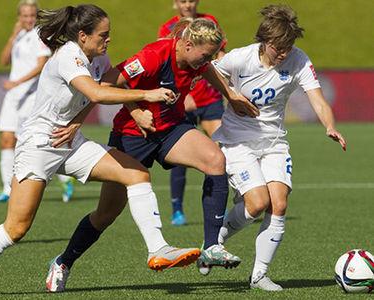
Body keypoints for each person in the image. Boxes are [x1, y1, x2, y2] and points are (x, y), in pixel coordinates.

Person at [0, 5, 201, 297]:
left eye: (109, 34)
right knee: (16, 229)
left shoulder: (98, 56)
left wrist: (76, 123)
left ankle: (158, 249)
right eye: (103, 35)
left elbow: (99, 88)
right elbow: (96, 92)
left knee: (137, 173)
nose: (108, 40)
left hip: (69, 141)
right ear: (82, 35)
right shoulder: (68, 56)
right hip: (39, 144)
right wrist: (145, 95)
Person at [46, 17, 261, 293]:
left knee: (215, 159)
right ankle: (64, 262)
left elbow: (208, 70)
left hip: (172, 130)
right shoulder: (153, 55)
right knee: (105, 215)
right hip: (133, 135)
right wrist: (136, 111)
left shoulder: (198, 58)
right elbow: (108, 82)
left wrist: (229, 94)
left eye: (209, 56)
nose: (205, 61)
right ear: (186, 43)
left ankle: (212, 246)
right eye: (204, 55)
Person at [208, 4, 347, 291]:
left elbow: (317, 99)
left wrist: (330, 126)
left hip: (274, 142)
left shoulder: (298, 60)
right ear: (265, 41)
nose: (284, 53)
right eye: (278, 48)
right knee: (257, 204)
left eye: (288, 47)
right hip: (237, 141)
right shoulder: (241, 58)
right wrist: (231, 95)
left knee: (279, 204)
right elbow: (210, 71)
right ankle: (216, 239)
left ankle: (259, 276)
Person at [158, 0, 228, 226]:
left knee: (220, 149)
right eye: (183, 0)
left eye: (191, 0)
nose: (187, 4)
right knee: (180, 155)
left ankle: (218, 204)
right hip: (183, 101)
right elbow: (167, 61)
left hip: (209, 98)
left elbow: (220, 54)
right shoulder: (167, 28)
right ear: (175, 3)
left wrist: (225, 83)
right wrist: (182, 92)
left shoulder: (210, 22)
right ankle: (177, 209)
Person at [0, 0, 52, 203]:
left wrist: (17, 82)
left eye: (32, 15)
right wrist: (13, 35)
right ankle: (7, 189)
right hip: (13, 97)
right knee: (6, 139)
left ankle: (63, 176)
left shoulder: (39, 35)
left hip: (31, 96)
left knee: (30, 142)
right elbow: (4, 60)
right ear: (19, 17)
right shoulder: (20, 35)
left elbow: (41, 65)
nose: (29, 19)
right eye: (25, 16)